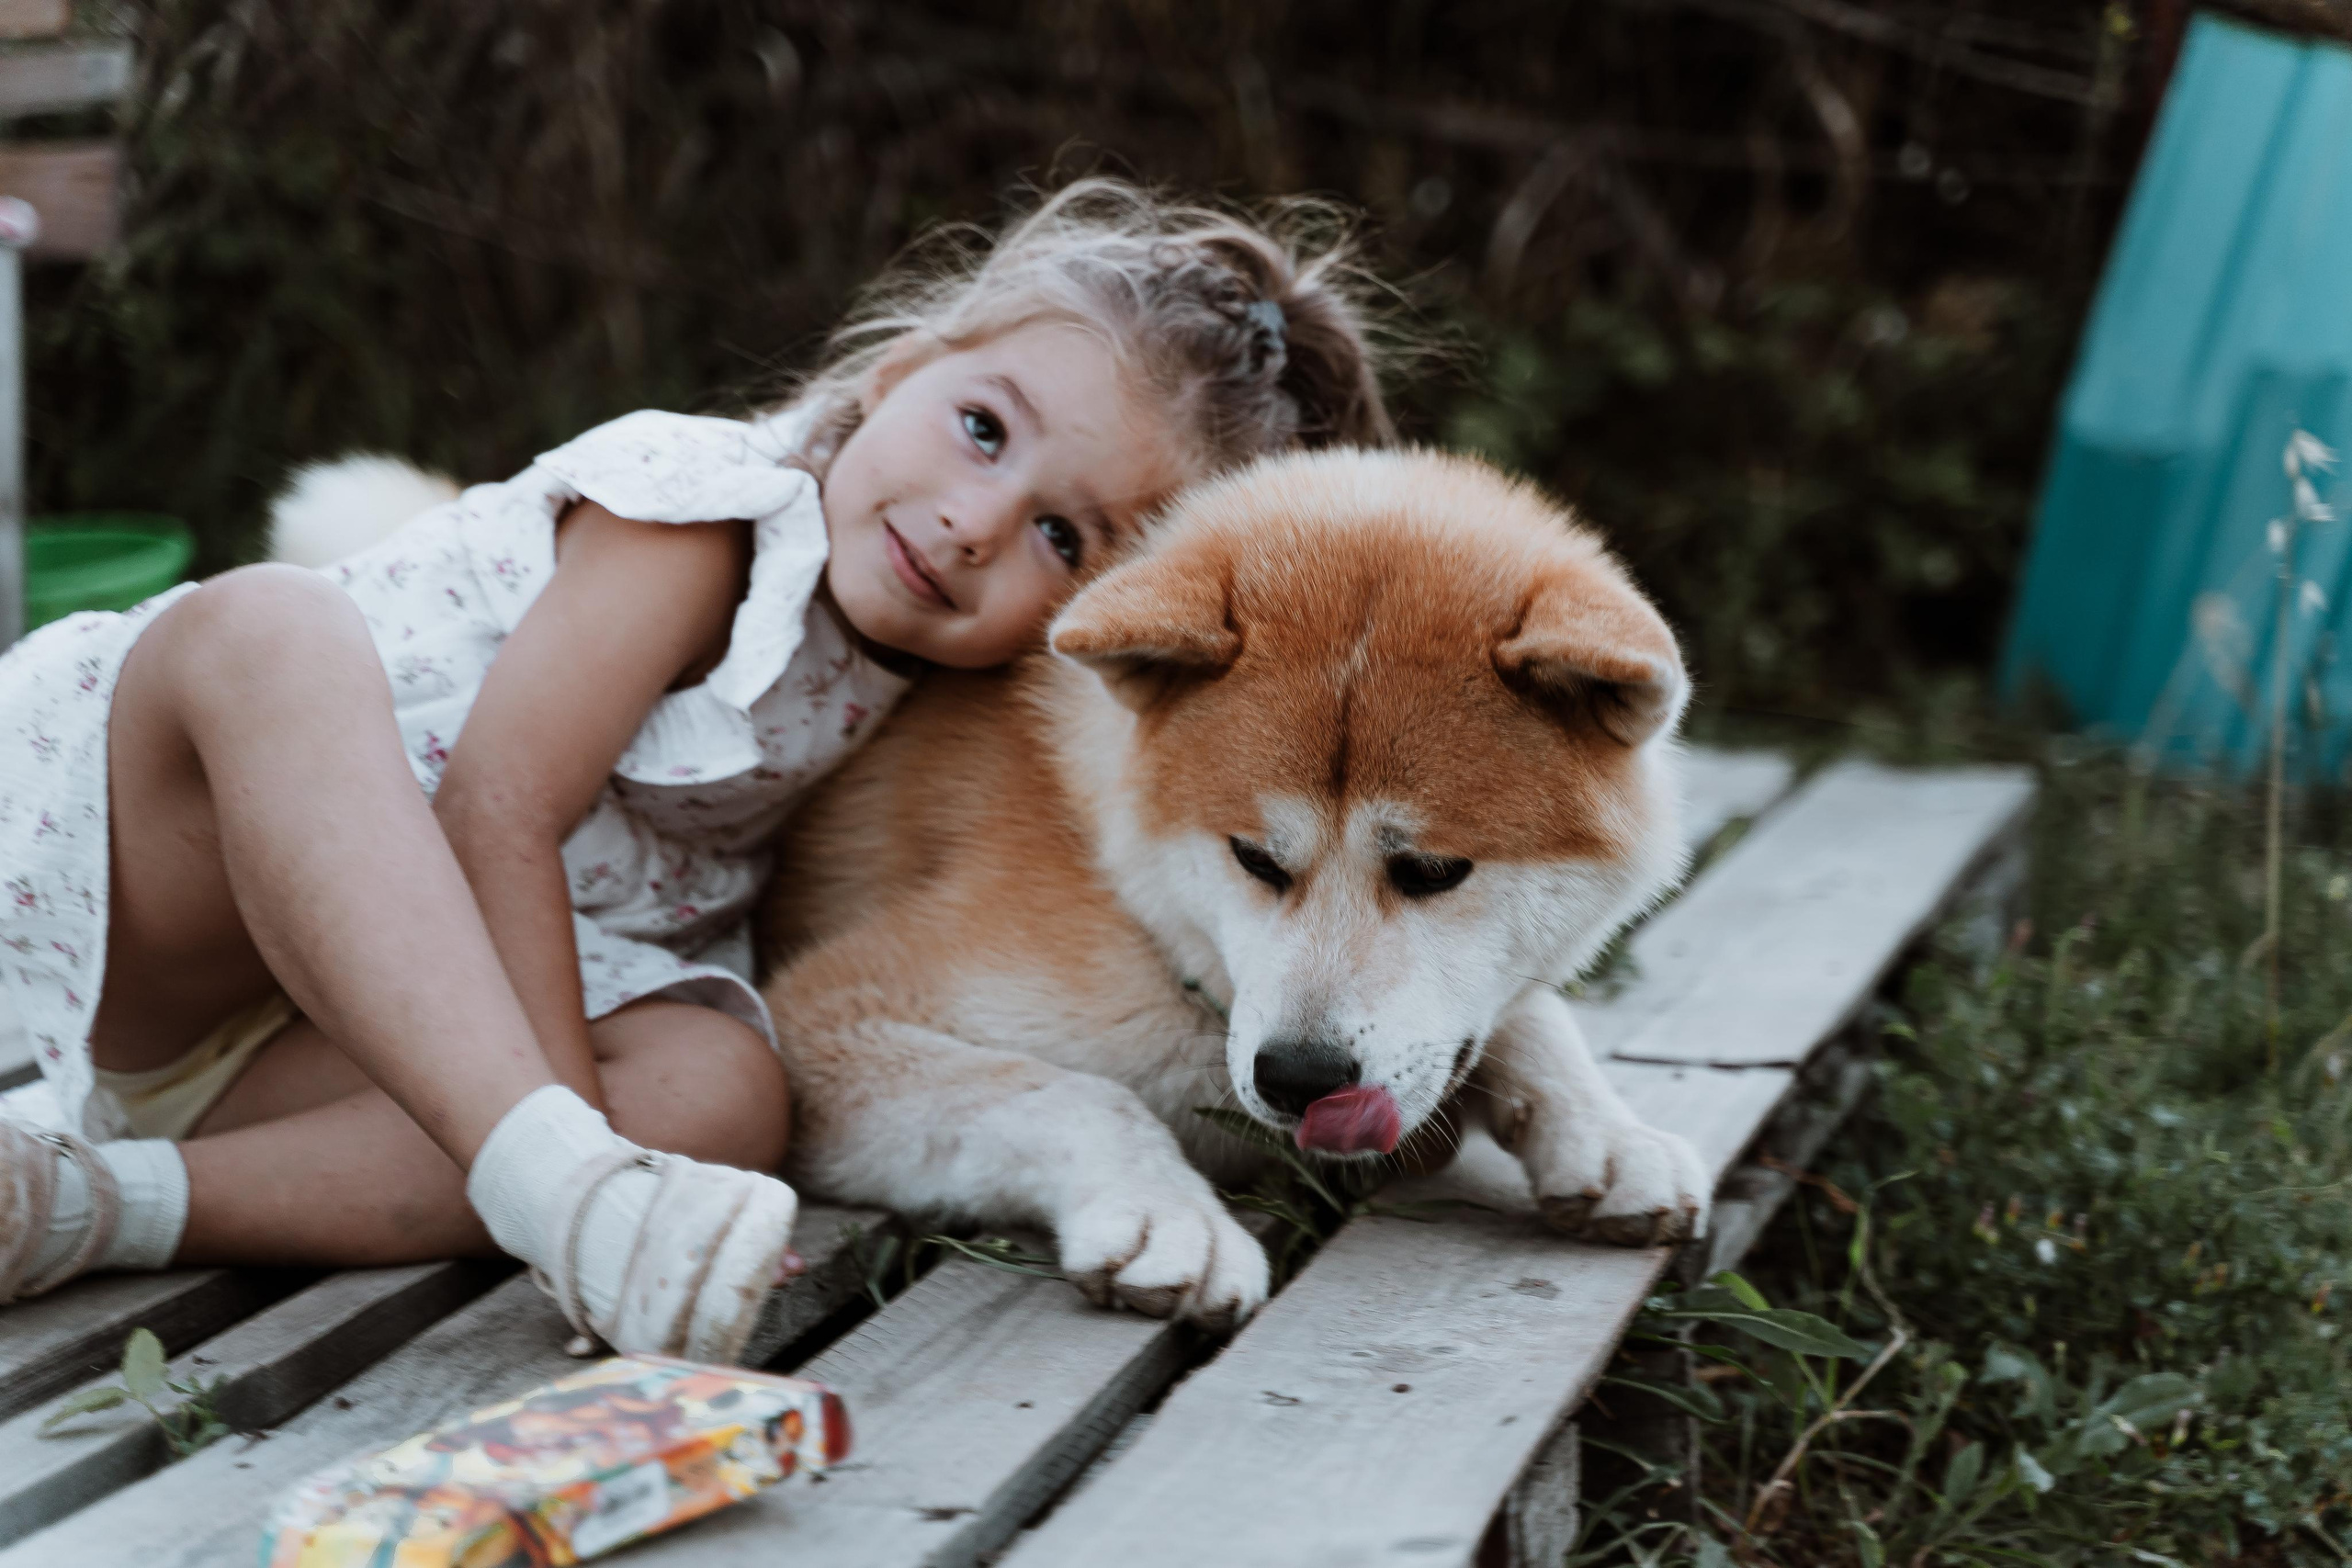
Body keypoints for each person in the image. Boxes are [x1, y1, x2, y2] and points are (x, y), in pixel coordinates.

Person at [0, 180, 1396, 1362]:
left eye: (1067, 541)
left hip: (319, 1051)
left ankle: (88, 1206)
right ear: (904, 366)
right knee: (271, 627)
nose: (976, 523)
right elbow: (499, 807)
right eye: (983, 428)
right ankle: (559, 1191)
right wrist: (572, 1168)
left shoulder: (909, 683)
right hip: (146, 894)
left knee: (727, 1095)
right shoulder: (710, 514)